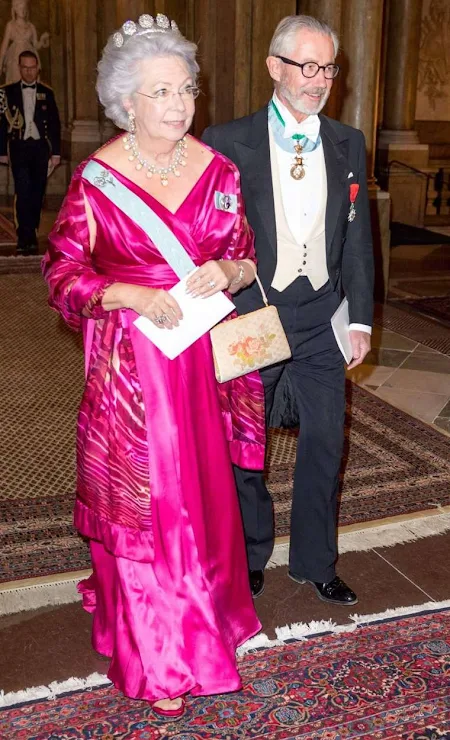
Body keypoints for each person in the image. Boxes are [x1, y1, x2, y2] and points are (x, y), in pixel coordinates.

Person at [42, 13, 265, 718]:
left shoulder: (218, 170)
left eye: (187, 89)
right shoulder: (97, 179)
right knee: (154, 500)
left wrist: (226, 272)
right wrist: (125, 290)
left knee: (201, 491)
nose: (178, 104)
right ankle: (162, 652)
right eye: (161, 92)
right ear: (126, 103)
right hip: (132, 369)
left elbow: (244, 253)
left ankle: (212, 620)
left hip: (198, 362)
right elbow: (61, 272)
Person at [203, 15, 374, 605]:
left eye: (328, 67)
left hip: (321, 314)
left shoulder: (348, 142)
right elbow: (209, 237)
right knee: (244, 448)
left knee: (326, 440)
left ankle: (314, 561)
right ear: (275, 67)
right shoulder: (225, 142)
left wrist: (359, 318)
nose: (319, 79)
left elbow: (357, 239)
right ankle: (250, 554)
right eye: (307, 65)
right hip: (253, 313)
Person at [0, 50, 60, 255]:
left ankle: (32, 232)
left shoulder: (47, 92)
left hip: (40, 148)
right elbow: (1, 125)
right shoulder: (7, 92)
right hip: (18, 147)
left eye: (32, 67)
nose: (28, 71)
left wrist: (56, 152)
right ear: (19, 68)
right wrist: (2, 151)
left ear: (37, 68)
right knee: (23, 190)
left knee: (37, 191)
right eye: (24, 67)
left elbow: (54, 125)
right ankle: (24, 236)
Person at [0, 0, 49, 84]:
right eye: (19, 7)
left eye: (24, 8)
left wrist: (42, 40)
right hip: (15, 59)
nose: (22, 10)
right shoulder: (11, 25)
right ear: (14, 9)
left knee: (30, 82)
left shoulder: (31, 26)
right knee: (16, 83)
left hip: (29, 57)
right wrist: (0, 63)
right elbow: (4, 46)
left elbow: (36, 45)